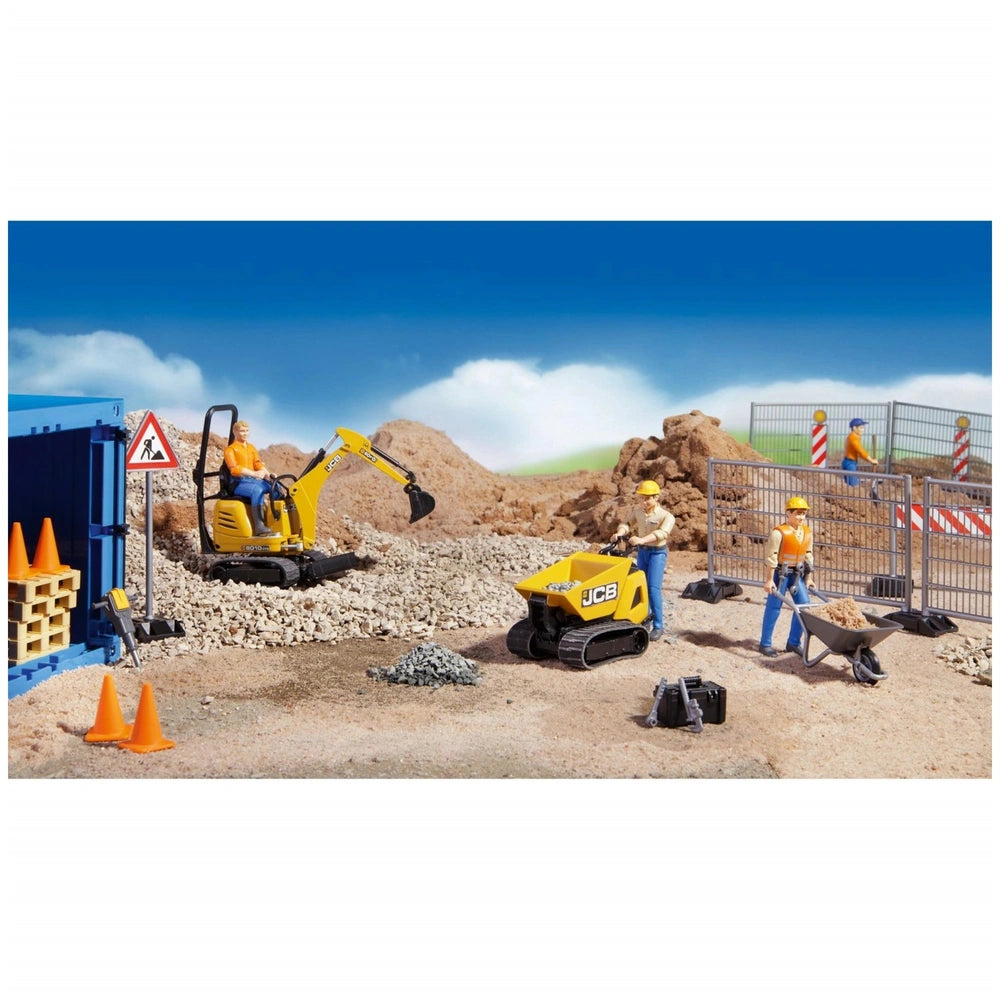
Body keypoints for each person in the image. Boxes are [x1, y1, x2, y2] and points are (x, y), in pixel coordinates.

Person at [614, 480, 675, 641]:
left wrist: (642, 540)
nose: (644, 502)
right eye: (642, 498)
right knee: (641, 587)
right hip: (642, 553)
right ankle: (644, 619)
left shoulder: (666, 516)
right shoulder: (639, 513)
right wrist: (620, 532)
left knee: (653, 589)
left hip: (657, 554)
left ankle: (658, 625)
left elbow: (662, 534)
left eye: (647, 498)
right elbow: (627, 523)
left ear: (656, 498)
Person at [759, 496, 816, 657]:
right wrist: (769, 580)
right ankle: (765, 643)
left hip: (797, 574)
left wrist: (809, 578)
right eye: (797, 513)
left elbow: (809, 556)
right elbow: (772, 557)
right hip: (781, 574)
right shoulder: (779, 533)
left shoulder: (807, 532)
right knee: (774, 607)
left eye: (803, 513)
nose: (801, 517)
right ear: (788, 513)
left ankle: (793, 642)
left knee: (804, 606)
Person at [224, 420, 279, 537]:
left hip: (252, 480)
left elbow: (257, 463)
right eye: (242, 431)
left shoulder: (251, 448)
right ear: (235, 432)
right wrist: (253, 474)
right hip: (239, 483)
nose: (245, 433)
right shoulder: (230, 450)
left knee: (276, 487)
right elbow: (234, 469)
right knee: (257, 490)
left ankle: (273, 520)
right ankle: (259, 526)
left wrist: (268, 475)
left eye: (247, 431)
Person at [841, 417, 877, 486]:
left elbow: (859, 452)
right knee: (854, 485)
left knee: (849, 485)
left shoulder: (853, 437)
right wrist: (871, 460)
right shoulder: (853, 438)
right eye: (861, 428)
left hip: (850, 462)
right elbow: (861, 451)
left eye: (863, 428)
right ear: (854, 428)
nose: (863, 430)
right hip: (850, 463)